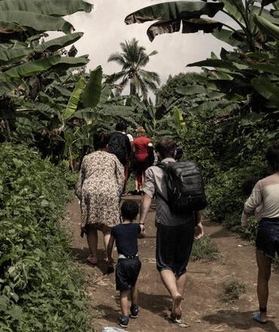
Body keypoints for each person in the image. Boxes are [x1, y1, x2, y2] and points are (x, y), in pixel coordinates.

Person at [138, 136, 203, 326]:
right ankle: (177, 304)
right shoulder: (187, 169)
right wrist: (198, 221)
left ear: (157, 153)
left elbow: (147, 198)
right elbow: (195, 197)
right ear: (175, 151)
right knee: (181, 265)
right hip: (187, 220)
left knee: (164, 263)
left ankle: (174, 294)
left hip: (166, 222)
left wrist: (141, 222)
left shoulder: (152, 171)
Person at [241, 141, 279, 332]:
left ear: (269, 162)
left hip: (267, 229)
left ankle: (263, 314)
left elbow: (248, 207)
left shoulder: (263, 183)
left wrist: (248, 218)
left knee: (263, 275)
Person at [75, 130, 125, 270]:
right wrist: (117, 193)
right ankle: (108, 257)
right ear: (107, 145)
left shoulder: (87, 158)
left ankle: (94, 256)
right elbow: (121, 177)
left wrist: (81, 195)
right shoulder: (113, 158)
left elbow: (80, 180)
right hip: (109, 191)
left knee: (91, 226)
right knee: (108, 228)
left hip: (90, 190)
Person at [106, 200, 142, 328]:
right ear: (136, 215)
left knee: (123, 290)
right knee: (134, 284)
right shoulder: (136, 227)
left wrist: (109, 256)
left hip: (123, 261)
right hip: (136, 261)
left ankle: (125, 317)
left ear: (121, 213)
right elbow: (141, 234)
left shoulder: (116, 229)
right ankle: (135, 308)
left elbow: (110, 245)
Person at [108, 122, 133, 192]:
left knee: (112, 172)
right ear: (123, 129)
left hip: (111, 157)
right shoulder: (125, 137)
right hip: (122, 159)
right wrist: (128, 158)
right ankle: (121, 189)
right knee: (122, 174)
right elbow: (129, 149)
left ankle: (111, 188)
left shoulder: (110, 136)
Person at [131, 126, 154, 194]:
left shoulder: (135, 140)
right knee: (145, 173)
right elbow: (151, 149)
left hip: (138, 157)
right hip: (146, 157)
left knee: (139, 173)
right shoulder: (148, 140)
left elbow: (132, 149)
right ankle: (144, 187)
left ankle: (139, 187)